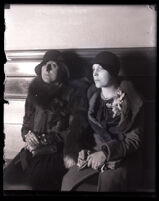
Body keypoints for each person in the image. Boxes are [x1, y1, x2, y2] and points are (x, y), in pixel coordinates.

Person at [3, 50, 90, 191]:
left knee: (34, 182)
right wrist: (27, 135)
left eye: (53, 65)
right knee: (8, 177)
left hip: (57, 152)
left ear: (62, 70)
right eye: (44, 65)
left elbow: (75, 132)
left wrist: (44, 139)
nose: (47, 68)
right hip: (33, 150)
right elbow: (26, 122)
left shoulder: (73, 95)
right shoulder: (34, 92)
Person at [61, 51, 144, 192]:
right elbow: (85, 132)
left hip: (123, 157)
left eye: (100, 68)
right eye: (93, 69)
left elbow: (134, 140)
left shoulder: (131, 99)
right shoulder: (91, 97)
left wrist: (106, 153)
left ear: (112, 71)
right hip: (95, 152)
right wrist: (83, 151)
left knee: (109, 184)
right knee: (68, 180)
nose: (95, 73)